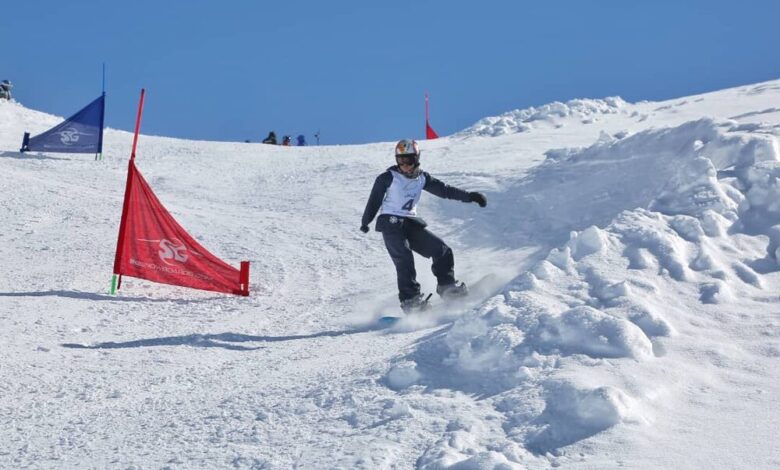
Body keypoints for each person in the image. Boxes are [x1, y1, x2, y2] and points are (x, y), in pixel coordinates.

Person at [360, 139, 487, 313]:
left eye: (409, 160)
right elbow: (374, 200)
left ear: (417, 158)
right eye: (400, 160)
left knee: (442, 250)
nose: (404, 165)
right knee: (404, 258)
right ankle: (410, 300)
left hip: (410, 223)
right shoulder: (387, 177)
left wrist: (470, 196)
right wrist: (366, 221)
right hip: (391, 224)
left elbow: (445, 190)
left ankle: (447, 288)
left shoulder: (422, 178)